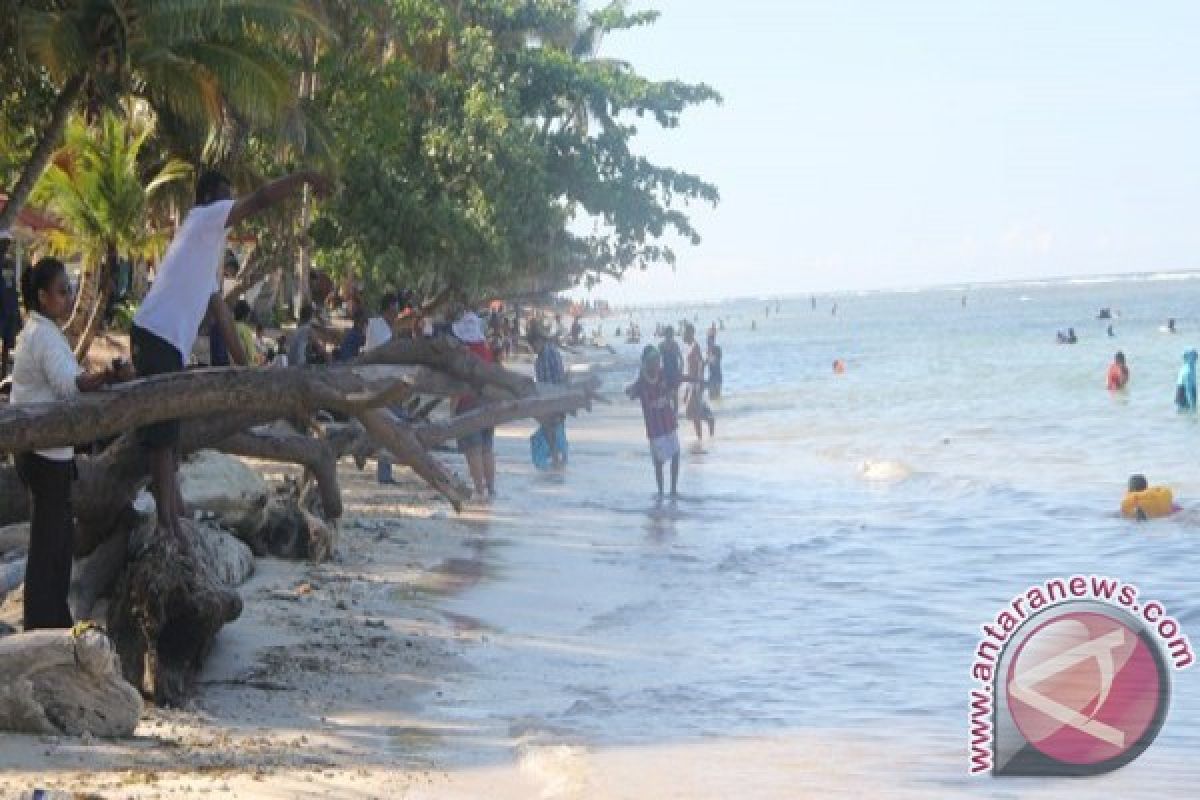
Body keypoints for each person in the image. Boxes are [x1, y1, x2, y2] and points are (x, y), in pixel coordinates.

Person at [131, 167, 329, 545]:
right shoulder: (204, 219)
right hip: (156, 336)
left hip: (164, 342)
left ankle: (175, 514)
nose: (231, 205)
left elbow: (220, 312)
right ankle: (166, 525)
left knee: (169, 437)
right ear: (208, 199)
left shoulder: (208, 246)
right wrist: (303, 177)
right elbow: (261, 200)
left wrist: (247, 366)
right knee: (161, 437)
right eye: (225, 197)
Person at [10, 257, 134, 629]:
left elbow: (70, 379)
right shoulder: (43, 335)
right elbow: (71, 384)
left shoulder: (41, 331)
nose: (70, 298)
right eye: (63, 292)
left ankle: (49, 618)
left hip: (45, 451)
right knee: (51, 542)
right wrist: (108, 375)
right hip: (43, 452)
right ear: (43, 296)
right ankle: (42, 622)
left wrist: (101, 379)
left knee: (56, 539)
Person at [453, 310, 498, 500]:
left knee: (473, 450)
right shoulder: (486, 350)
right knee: (487, 448)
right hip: (488, 403)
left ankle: (479, 490)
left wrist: (452, 411)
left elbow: (457, 385)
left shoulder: (463, 353)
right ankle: (491, 489)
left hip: (468, 404)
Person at [627, 346, 680, 498]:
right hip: (655, 425)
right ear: (647, 363)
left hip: (668, 420)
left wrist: (675, 408)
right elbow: (631, 394)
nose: (658, 364)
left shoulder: (663, 374)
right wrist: (632, 390)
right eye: (655, 361)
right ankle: (661, 492)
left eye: (658, 360)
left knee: (676, 454)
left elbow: (673, 389)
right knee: (659, 461)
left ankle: (673, 490)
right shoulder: (642, 381)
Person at [365, 293, 400, 483]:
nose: (396, 316)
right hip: (381, 385)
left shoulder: (380, 326)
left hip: (386, 383)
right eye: (394, 312)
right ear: (387, 310)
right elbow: (388, 352)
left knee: (388, 426)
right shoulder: (379, 329)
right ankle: (384, 473)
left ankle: (386, 471)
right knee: (388, 426)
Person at [530, 321, 569, 468]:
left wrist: (559, 405)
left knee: (555, 431)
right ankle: (556, 460)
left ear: (541, 341)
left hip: (554, 400)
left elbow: (558, 380)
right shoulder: (539, 359)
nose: (533, 347)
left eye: (534, 344)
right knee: (550, 431)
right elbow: (540, 383)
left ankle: (559, 460)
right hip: (545, 401)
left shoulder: (551, 353)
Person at [680, 323, 714, 440]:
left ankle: (709, 420)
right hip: (690, 382)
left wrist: (698, 382)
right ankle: (700, 435)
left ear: (690, 333)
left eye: (684, 333)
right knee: (692, 412)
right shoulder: (690, 347)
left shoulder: (695, 346)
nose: (682, 335)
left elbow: (700, 364)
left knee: (691, 412)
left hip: (696, 382)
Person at [0, 230, 20, 380]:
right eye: (3, 243)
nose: (6, 246)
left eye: (7, 243)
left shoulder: (9, 263)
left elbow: (11, 287)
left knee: (7, 343)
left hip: (9, 308)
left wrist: (16, 311)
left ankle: (3, 375)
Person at [659, 325, 683, 412]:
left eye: (671, 334)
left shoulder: (675, 345)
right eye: (668, 334)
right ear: (665, 335)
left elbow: (681, 359)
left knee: (675, 394)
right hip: (666, 373)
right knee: (667, 394)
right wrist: (659, 372)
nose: (669, 336)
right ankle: (669, 412)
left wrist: (681, 370)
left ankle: (675, 412)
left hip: (674, 372)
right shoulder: (661, 345)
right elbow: (658, 360)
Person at [233, 299, 262, 365]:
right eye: (248, 314)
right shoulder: (245, 329)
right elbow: (251, 353)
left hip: (236, 364)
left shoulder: (232, 326)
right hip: (248, 366)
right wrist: (261, 359)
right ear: (245, 315)